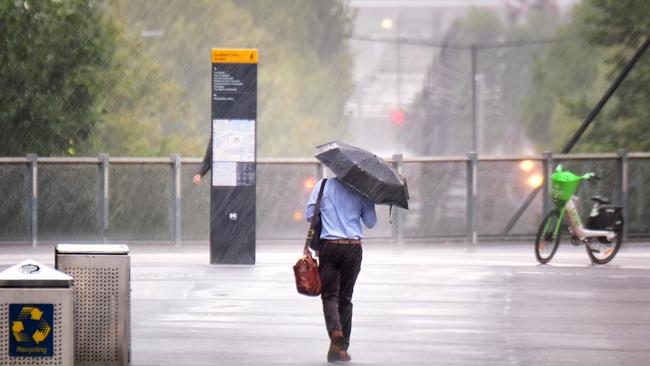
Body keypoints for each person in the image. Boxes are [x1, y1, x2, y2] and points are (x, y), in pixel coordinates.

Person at [305, 177, 377, 363]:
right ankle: (342, 349)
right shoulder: (362, 190)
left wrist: (329, 214)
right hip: (353, 248)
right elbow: (371, 222)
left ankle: (336, 332)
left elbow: (309, 214)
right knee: (346, 299)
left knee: (329, 296)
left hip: (330, 246)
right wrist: (366, 201)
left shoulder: (324, 185)